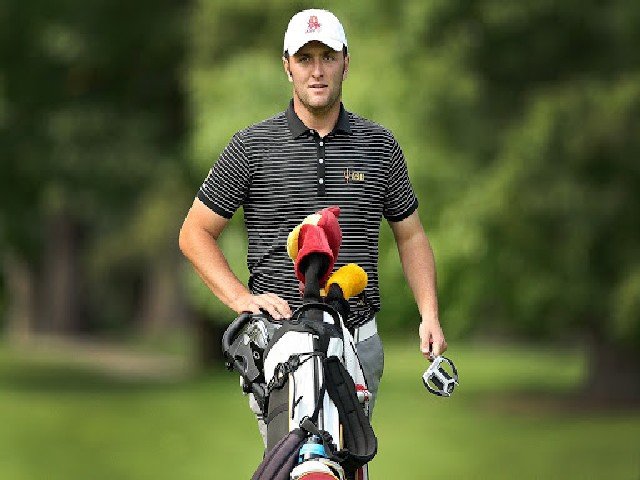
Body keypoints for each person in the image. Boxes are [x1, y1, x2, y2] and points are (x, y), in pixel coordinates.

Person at [179, 8, 447, 444]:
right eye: (305, 59)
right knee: (298, 462)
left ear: (346, 61)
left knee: (350, 459)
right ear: (287, 66)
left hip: (357, 340)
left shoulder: (379, 145)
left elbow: (411, 235)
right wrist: (242, 300)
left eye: (328, 56)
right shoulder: (252, 146)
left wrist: (429, 314)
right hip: (280, 344)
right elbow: (195, 232)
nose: (317, 71)